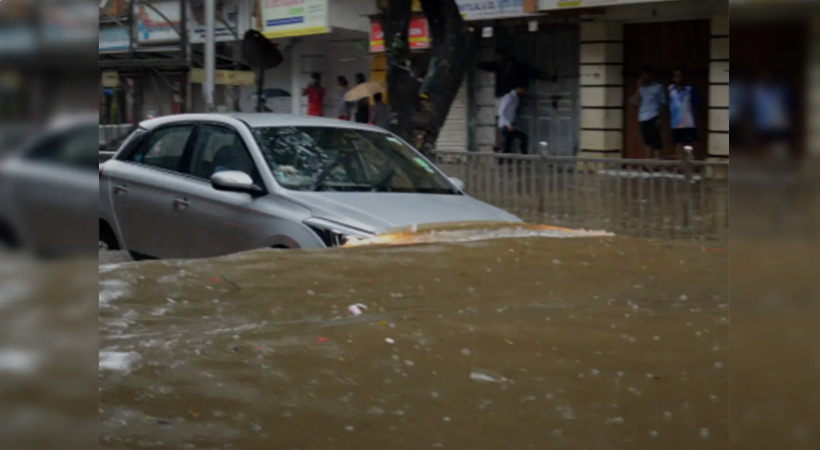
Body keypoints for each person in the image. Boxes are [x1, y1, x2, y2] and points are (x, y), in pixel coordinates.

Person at [478, 49, 547, 149]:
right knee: (501, 117)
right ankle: (499, 142)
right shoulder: (498, 67)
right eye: (497, 60)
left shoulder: (515, 68)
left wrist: (542, 75)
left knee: (508, 118)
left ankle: (503, 142)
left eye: (500, 59)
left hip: (508, 94)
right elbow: (487, 66)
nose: (499, 62)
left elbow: (529, 71)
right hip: (501, 96)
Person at [630, 65, 666, 159]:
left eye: (647, 75)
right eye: (643, 75)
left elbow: (662, 103)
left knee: (656, 141)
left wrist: (660, 117)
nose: (645, 77)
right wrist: (638, 88)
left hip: (653, 116)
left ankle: (657, 162)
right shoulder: (641, 88)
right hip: (643, 117)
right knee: (647, 141)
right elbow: (635, 102)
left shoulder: (658, 87)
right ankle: (648, 163)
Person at [667, 68, 701, 158]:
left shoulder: (689, 89)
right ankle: (679, 166)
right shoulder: (670, 89)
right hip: (676, 123)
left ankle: (689, 165)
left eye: (679, 75)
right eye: (675, 76)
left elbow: (697, 102)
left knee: (689, 145)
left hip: (688, 123)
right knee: (678, 144)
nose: (678, 78)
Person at [498, 84, 529, 156]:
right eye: (523, 90)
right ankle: (501, 162)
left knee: (519, 139)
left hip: (511, 125)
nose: (524, 92)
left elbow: (513, 112)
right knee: (507, 145)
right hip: (505, 125)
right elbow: (501, 112)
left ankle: (524, 156)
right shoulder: (508, 97)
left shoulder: (516, 98)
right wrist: (508, 124)